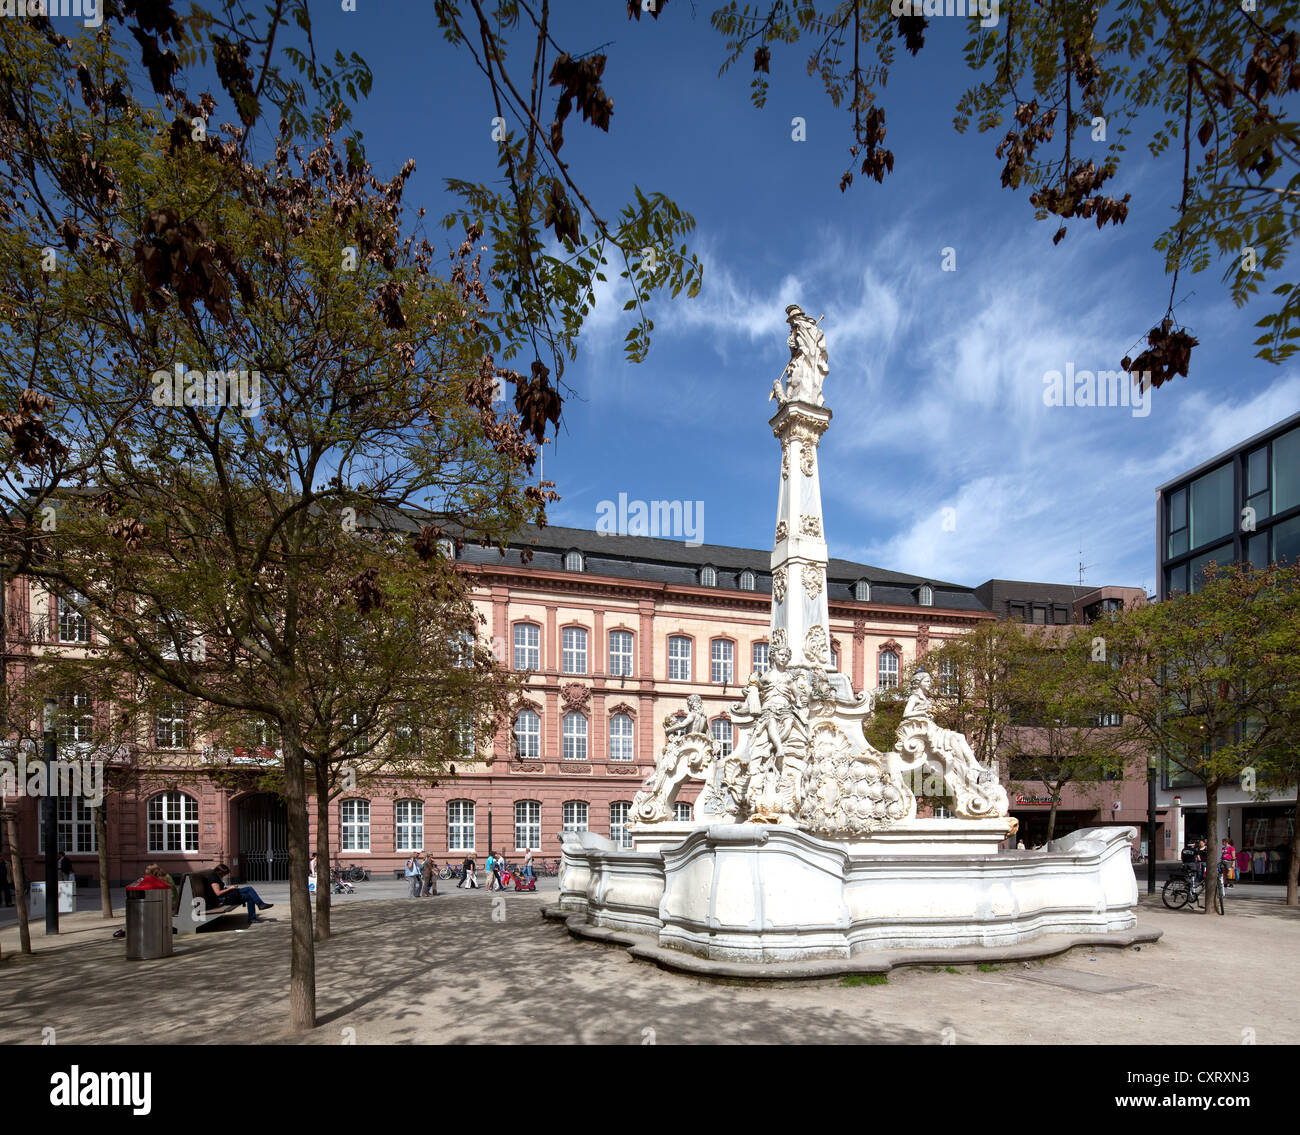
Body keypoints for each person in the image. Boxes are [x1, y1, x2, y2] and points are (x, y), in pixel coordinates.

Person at [208, 863, 274, 923]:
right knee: (249, 894)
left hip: (226, 895)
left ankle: (258, 909)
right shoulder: (214, 879)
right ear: (220, 872)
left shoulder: (215, 876)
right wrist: (230, 888)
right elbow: (218, 893)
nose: (224, 876)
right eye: (224, 874)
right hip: (223, 899)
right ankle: (256, 911)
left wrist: (230, 888)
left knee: (249, 890)